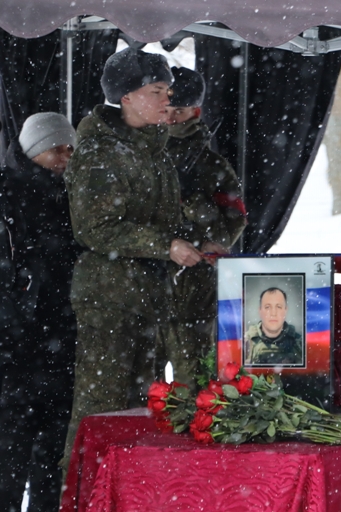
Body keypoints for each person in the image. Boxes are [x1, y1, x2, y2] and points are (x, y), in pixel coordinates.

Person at [61, 48, 215, 472]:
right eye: (156, 91)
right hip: (109, 300)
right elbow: (95, 228)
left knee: (140, 411)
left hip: (148, 296)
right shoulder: (100, 151)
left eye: (168, 91)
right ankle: (81, 491)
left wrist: (195, 237)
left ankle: (123, 492)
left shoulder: (153, 147)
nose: (167, 100)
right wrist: (166, 246)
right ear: (125, 97)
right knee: (101, 410)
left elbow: (161, 216)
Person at [0, 113, 76, 512]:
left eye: (70, 149)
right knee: (11, 449)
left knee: (53, 451)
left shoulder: (73, 194)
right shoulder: (8, 195)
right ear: (32, 150)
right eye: (55, 149)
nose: (64, 157)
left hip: (61, 337)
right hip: (15, 343)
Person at [161, 66, 247, 386]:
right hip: (148, 284)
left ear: (196, 112)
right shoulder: (143, 156)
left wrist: (195, 205)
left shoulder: (213, 166)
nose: (171, 120)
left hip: (194, 289)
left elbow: (229, 228)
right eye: (167, 110)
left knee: (194, 383)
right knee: (144, 391)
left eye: (180, 112)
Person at [244, 287, 303, 365]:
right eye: (267, 307)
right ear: (260, 311)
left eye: (279, 307)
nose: (273, 313)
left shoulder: (301, 344)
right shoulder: (244, 343)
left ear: (285, 310)